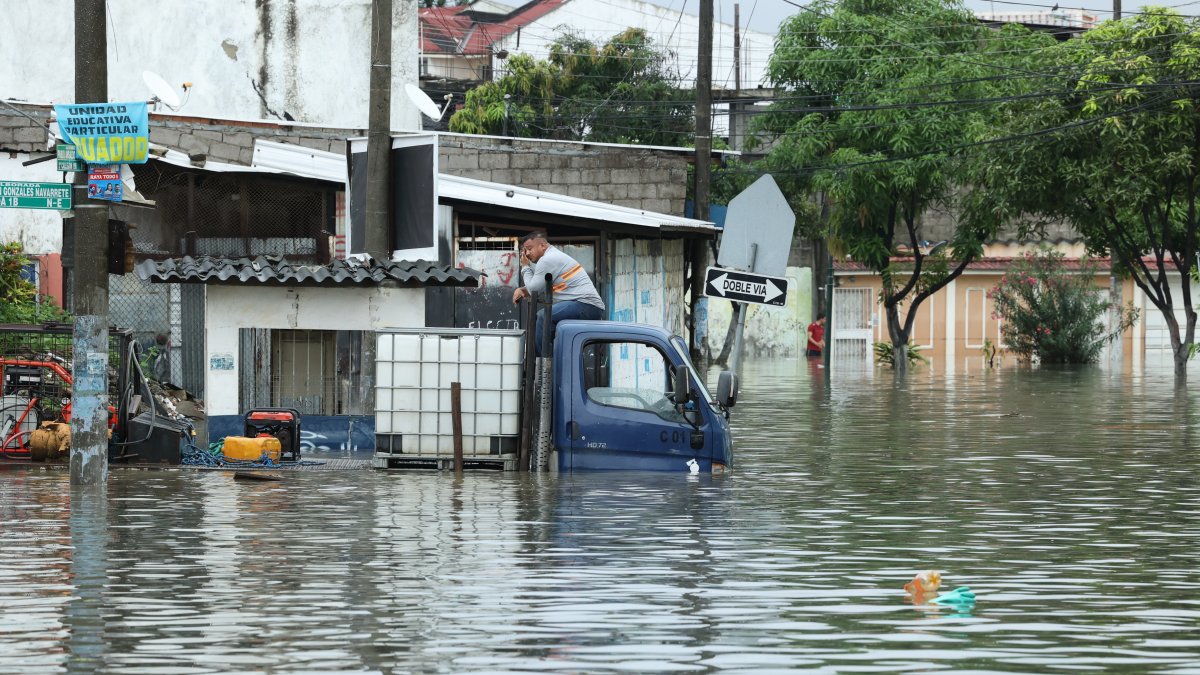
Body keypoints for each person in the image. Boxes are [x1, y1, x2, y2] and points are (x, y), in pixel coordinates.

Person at [511, 232, 605, 355]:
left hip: (586, 305)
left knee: (543, 317)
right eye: (525, 251)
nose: (527, 254)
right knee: (543, 322)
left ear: (542, 245)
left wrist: (525, 267)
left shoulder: (547, 260)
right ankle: (550, 358)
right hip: (584, 305)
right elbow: (538, 287)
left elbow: (533, 290)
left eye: (529, 249)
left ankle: (541, 364)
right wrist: (523, 289)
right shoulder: (552, 257)